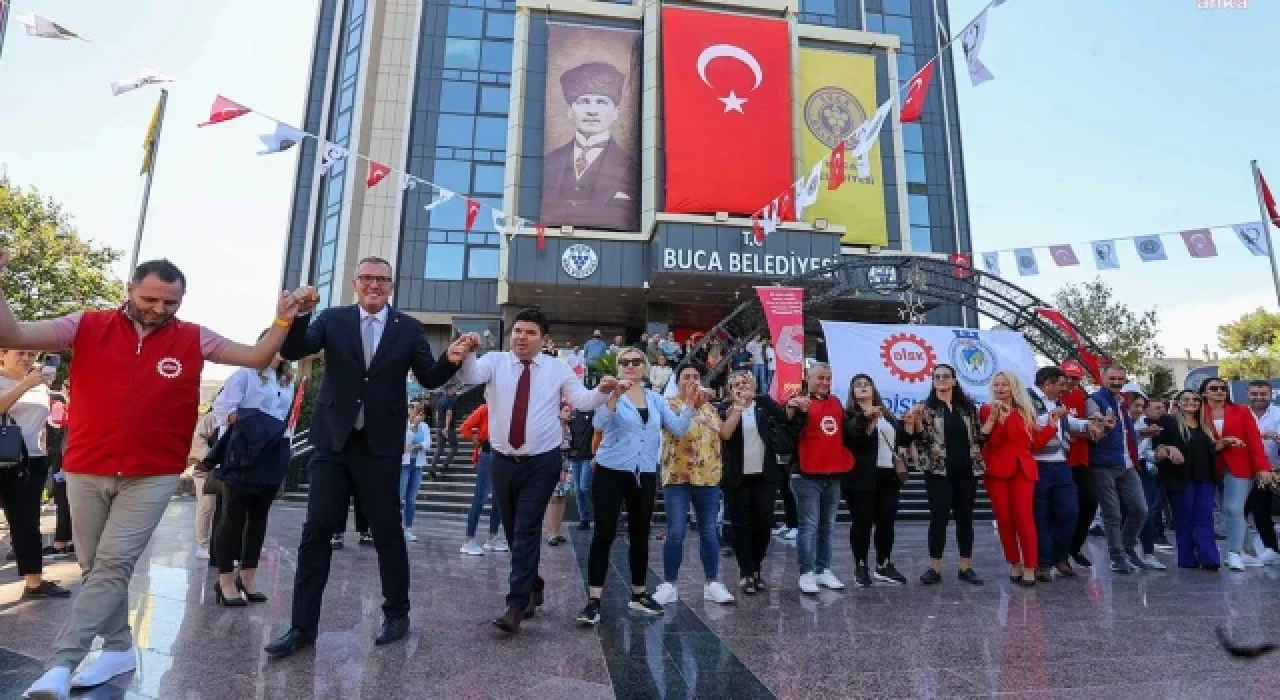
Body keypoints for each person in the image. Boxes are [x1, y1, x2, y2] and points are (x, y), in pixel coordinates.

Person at [15, 254, 311, 699]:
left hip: (151, 473)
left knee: (113, 565)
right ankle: (118, 647)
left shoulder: (193, 337)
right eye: (149, 298)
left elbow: (256, 355)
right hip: (85, 466)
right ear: (129, 289)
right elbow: (11, 333)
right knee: (95, 567)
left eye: (169, 302)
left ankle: (62, 664)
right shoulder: (86, 325)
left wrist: (282, 321)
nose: (158, 309)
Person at [264, 256, 465, 660]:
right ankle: (302, 626)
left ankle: (397, 614)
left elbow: (427, 377)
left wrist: (451, 360)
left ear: (391, 286)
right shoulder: (333, 319)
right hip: (332, 443)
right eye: (367, 279)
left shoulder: (407, 327)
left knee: (387, 532)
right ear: (355, 283)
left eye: (382, 280)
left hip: (381, 446)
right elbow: (295, 346)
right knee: (316, 531)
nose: (375, 285)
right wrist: (299, 314)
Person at [453, 308, 617, 635]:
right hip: (501, 459)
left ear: (543, 338)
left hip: (542, 462)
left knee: (527, 527)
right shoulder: (495, 362)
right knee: (514, 531)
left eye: (529, 333)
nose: (521, 338)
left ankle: (516, 603)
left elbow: (582, 401)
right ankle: (534, 583)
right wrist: (468, 353)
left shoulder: (558, 369)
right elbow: (469, 377)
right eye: (517, 332)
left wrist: (603, 390)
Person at [577, 347, 699, 625]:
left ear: (645, 368)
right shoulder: (608, 393)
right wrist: (613, 396)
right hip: (611, 471)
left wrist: (690, 404)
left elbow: (678, 429)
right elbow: (599, 423)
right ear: (618, 367)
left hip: (644, 473)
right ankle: (594, 599)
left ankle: (639, 593)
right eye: (625, 362)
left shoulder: (655, 400)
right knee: (604, 533)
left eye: (636, 362)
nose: (630, 366)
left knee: (640, 532)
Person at [207, 342, 297, 606]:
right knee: (232, 518)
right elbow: (223, 410)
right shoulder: (244, 374)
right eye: (277, 343)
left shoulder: (285, 380)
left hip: (272, 451)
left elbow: (283, 415)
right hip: (243, 452)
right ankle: (224, 579)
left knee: (259, 518)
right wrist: (254, 424)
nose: (281, 349)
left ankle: (247, 577)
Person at [653, 365, 736, 606]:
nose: (692, 381)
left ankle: (712, 583)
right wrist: (690, 402)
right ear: (677, 382)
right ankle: (669, 584)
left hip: (708, 478)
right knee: (676, 530)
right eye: (686, 377)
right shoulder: (668, 404)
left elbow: (724, 433)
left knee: (709, 531)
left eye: (696, 377)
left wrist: (737, 409)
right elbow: (675, 430)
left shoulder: (710, 408)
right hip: (677, 478)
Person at [902, 363, 986, 586]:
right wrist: (917, 421)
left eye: (945, 376)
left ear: (954, 381)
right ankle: (934, 567)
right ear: (932, 381)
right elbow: (922, 440)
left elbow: (979, 437)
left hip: (968, 471)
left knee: (965, 519)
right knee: (939, 518)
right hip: (939, 472)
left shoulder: (967, 409)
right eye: (937, 377)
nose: (941, 380)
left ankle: (965, 567)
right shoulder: (926, 408)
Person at [0, 349, 71, 598]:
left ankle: (34, 583)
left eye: (31, 354)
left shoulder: (41, 385)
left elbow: (41, 422)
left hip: (30, 461)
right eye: (20, 353)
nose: (27, 358)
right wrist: (26, 384)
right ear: (2, 355)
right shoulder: (24, 381)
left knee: (27, 524)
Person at [540, 61, 639, 231]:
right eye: (584, 101)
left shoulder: (632, 169)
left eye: (601, 102)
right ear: (570, 110)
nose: (592, 111)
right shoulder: (548, 163)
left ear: (616, 112)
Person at [719, 370, 793, 594]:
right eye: (737, 384)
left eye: (746, 383)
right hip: (737, 476)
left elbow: (784, 419)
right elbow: (726, 435)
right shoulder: (724, 409)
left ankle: (757, 568)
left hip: (765, 475)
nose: (742, 387)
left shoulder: (764, 405)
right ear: (730, 390)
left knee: (763, 524)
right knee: (741, 526)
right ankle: (745, 572)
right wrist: (738, 407)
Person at [980, 371, 1052, 588]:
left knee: (1024, 517)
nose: (1000, 388)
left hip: (1022, 469)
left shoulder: (1025, 411)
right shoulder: (986, 410)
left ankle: (1030, 565)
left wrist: (1051, 426)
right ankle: (1014, 562)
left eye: (1005, 385)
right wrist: (998, 420)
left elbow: (1033, 444)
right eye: (997, 385)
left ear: (1014, 388)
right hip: (996, 469)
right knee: (1004, 518)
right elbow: (992, 442)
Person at [788, 363, 852, 594]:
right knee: (809, 525)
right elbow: (790, 433)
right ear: (807, 378)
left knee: (828, 525)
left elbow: (845, 431)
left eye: (828, 378)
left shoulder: (835, 402)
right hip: (806, 474)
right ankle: (806, 572)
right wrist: (794, 412)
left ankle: (823, 569)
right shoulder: (798, 402)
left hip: (832, 473)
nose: (825, 382)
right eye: (820, 378)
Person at [1199, 377, 1273, 572]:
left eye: (1223, 388)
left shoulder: (1241, 411)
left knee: (1234, 508)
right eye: (1213, 388)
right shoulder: (1199, 412)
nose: (1219, 391)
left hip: (1240, 467)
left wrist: (1262, 467)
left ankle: (1234, 553)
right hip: (1210, 468)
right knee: (1230, 511)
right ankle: (1249, 552)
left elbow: (1255, 440)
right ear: (1204, 392)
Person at [841, 374, 908, 588]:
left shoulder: (885, 412)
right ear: (852, 392)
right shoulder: (849, 415)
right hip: (861, 477)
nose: (862, 387)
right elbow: (855, 439)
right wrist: (867, 419)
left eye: (866, 384)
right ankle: (860, 566)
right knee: (862, 523)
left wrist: (911, 423)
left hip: (888, 475)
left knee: (886, 522)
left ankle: (883, 564)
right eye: (857, 385)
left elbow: (901, 439)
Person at [1085, 365, 1153, 574]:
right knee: (1112, 514)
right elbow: (1093, 428)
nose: (1116, 382)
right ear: (1103, 379)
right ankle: (1117, 556)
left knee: (1140, 509)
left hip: (1127, 463)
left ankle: (1127, 548)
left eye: (1120, 379)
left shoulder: (1122, 402)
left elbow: (1124, 433)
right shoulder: (1094, 400)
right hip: (1104, 464)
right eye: (1112, 378)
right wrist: (1102, 425)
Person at [1027, 366, 1090, 581]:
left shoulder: (1058, 402)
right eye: (1062, 384)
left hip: (1061, 464)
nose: (1066, 388)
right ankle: (1043, 563)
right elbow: (1029, 425)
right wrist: (1052, 416)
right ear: (1048, 384)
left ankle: (1061, 557)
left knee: (1069, 512)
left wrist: (1091, 423)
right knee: (1041, 516)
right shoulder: (1027, 399)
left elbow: (1067, 422)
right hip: (1038, 464)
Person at [1151, 390, 1222, 569]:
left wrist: (1226, 442)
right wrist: (1168, 448)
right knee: (1184, 518)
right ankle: (1187, 558)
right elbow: (1156, 448)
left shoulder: (1205, 424)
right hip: (1180, 479)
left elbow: (1210, 450)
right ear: (1179, 403)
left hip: (1205, 478)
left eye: (1195, 400)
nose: (1192, 402)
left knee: (1205, 516)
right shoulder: (1168, 421)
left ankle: (1209, 558)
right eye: (1187, 399)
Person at [1059, 360, 1097, 569]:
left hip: (1081, 459)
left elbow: (1092, 421)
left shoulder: (1082, 396)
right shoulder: (1051, 397)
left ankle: (1074, 546)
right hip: (1060, 460)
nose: (1072, 382)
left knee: (1089, 504)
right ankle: (1060, 553)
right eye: (1068, 377)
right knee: (1066, 510)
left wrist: (1097, 424)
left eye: (1076, 379)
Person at [458, 402, 505, 555]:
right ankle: (468, 539)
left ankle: (492, 537)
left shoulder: (505, 408)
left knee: (499, 498)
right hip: (488, 453)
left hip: (501, 455)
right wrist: (475, 439)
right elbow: (464, 427)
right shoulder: (486, 408)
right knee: (480, 497)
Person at [1245, 380, 1280, 564]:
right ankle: (1270, 549)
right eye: (1255, 394)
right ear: (1248, 394)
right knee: (1259, 511)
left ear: (1270, 394)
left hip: (1276, 469)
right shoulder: (1242, 413)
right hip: (1249, 471)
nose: (1259, 397)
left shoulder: (1278, 413)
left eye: (1263, 394)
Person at [1134, 398, 1171, 570]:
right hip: (1129, 469)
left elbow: (1147, 451)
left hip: (1148, 470)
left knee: (1148, 509)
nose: (1161, 411)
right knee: (1139, 510)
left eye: (1163, 408)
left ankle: (1149, 551)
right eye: (1157, 408)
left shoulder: (1162, 425)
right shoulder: (1134, 424)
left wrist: (1157, 456)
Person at [189, 401, 221, 561]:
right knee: (207, 506)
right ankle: (202, 545)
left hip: (226, 471)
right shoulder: (212, 417)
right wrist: (210, 459)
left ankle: (221, 548)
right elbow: (197, 437)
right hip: (205, 470)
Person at [400, 402, 430, 542]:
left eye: (420, 409)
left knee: (411, 498)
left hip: (417, 464)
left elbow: (427, 444)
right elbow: (405, 443)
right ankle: (397, 526)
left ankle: (408, 528)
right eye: (414, 408)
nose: (417, 411)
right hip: (404, 464)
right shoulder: (404, 424)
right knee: (400, 497)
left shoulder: (425, 426)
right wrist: (414, 426)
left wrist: (415, 446)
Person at [544, 404, 574, 545]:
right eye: (566, 411)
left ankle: (557, 530)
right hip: (554, 461)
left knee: (562, 497)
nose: (569, 413)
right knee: (553, 498)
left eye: (569, 411)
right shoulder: (554, 426)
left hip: (566, 463)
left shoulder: (569, 427)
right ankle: (551, 533)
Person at [564, 406, 595, 530]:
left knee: (584, 486)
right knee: (577, 489)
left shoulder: (594, 412)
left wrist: (595, 454)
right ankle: (584, 518)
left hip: (588, 455)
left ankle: (599, 509)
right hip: (575, 456)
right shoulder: (573, 414)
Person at [428, 385, 460, 480]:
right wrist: (446, 428)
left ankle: (432, 469)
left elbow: (437, 414)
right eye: (454, 388)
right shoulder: (452, 400)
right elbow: (449, 413)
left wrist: (439, 426)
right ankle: (445, 465)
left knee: (440, 449)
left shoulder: (440, 400)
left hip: (439, 427)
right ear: (450, 390)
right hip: (448, 428)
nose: (456, 390)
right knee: (454, 447)